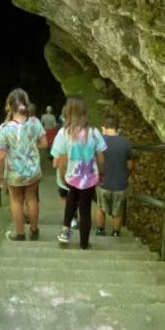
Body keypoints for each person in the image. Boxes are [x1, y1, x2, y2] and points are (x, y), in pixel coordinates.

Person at [50, 97, 105, 250]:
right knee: (85, 210)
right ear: (85, 113)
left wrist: (62, 177)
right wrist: (101, 174)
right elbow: (101, 158)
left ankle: (65, 231)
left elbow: (61, 160)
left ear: (67, 112)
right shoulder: (94, 133)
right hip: (89, 178)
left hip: (71, 177)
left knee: (70, 202)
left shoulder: (63, 133)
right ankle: (84, 243)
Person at [0, 88, 46, 241]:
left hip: (14, 173)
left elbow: (1, 156)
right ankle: (34, 230)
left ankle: (20, 233)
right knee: (32, 199)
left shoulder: (4, 129)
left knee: (16, 200)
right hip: (32, 171)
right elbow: (44, 143)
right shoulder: (35, 122)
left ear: (9, 106)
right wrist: (31, 146)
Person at [94, 112, 134, 237]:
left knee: (101, 207)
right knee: (118, 210)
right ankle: (116, 232)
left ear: (103, 128)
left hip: (103, 183)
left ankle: (100, 230)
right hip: (120, 184)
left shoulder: (99, 143)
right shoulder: (126, 143)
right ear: (118, 128)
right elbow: (130, 165)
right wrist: (126, 175)